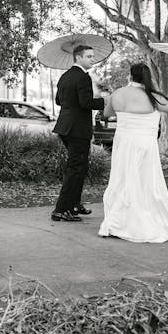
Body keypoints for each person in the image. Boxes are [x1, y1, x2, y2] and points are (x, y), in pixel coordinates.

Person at [98, 63, 168, 242]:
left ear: (130, 76)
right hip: (145, 144)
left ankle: (117, 221)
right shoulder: (152, 97)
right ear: (148, 78)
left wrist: (109, 99)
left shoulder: (118, 93)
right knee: (146, 181)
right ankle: (141, 220)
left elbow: (105, 114)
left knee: (122, 179)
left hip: (123, 143)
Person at [51, 45, 107, 222]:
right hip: (77, 129)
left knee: (79, 168)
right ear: (78, 58)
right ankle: (61, 209)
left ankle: (74, 204)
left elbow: (59, 100)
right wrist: (104, 101)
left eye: (92, 56)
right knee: (75, 169)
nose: (92, 59)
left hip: (65, 127)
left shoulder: (65, 76)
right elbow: (85, 102)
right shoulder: (83, 77)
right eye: (89, 56)